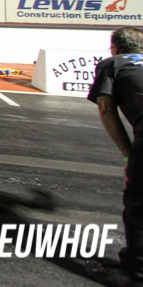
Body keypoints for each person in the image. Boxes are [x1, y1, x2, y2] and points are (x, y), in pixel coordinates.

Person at [87, 27, 143, 285]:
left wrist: (128, 158)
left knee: (138, 206)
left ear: (115, 48)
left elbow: (106, 110)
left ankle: (134, 274)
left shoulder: (114, 63)